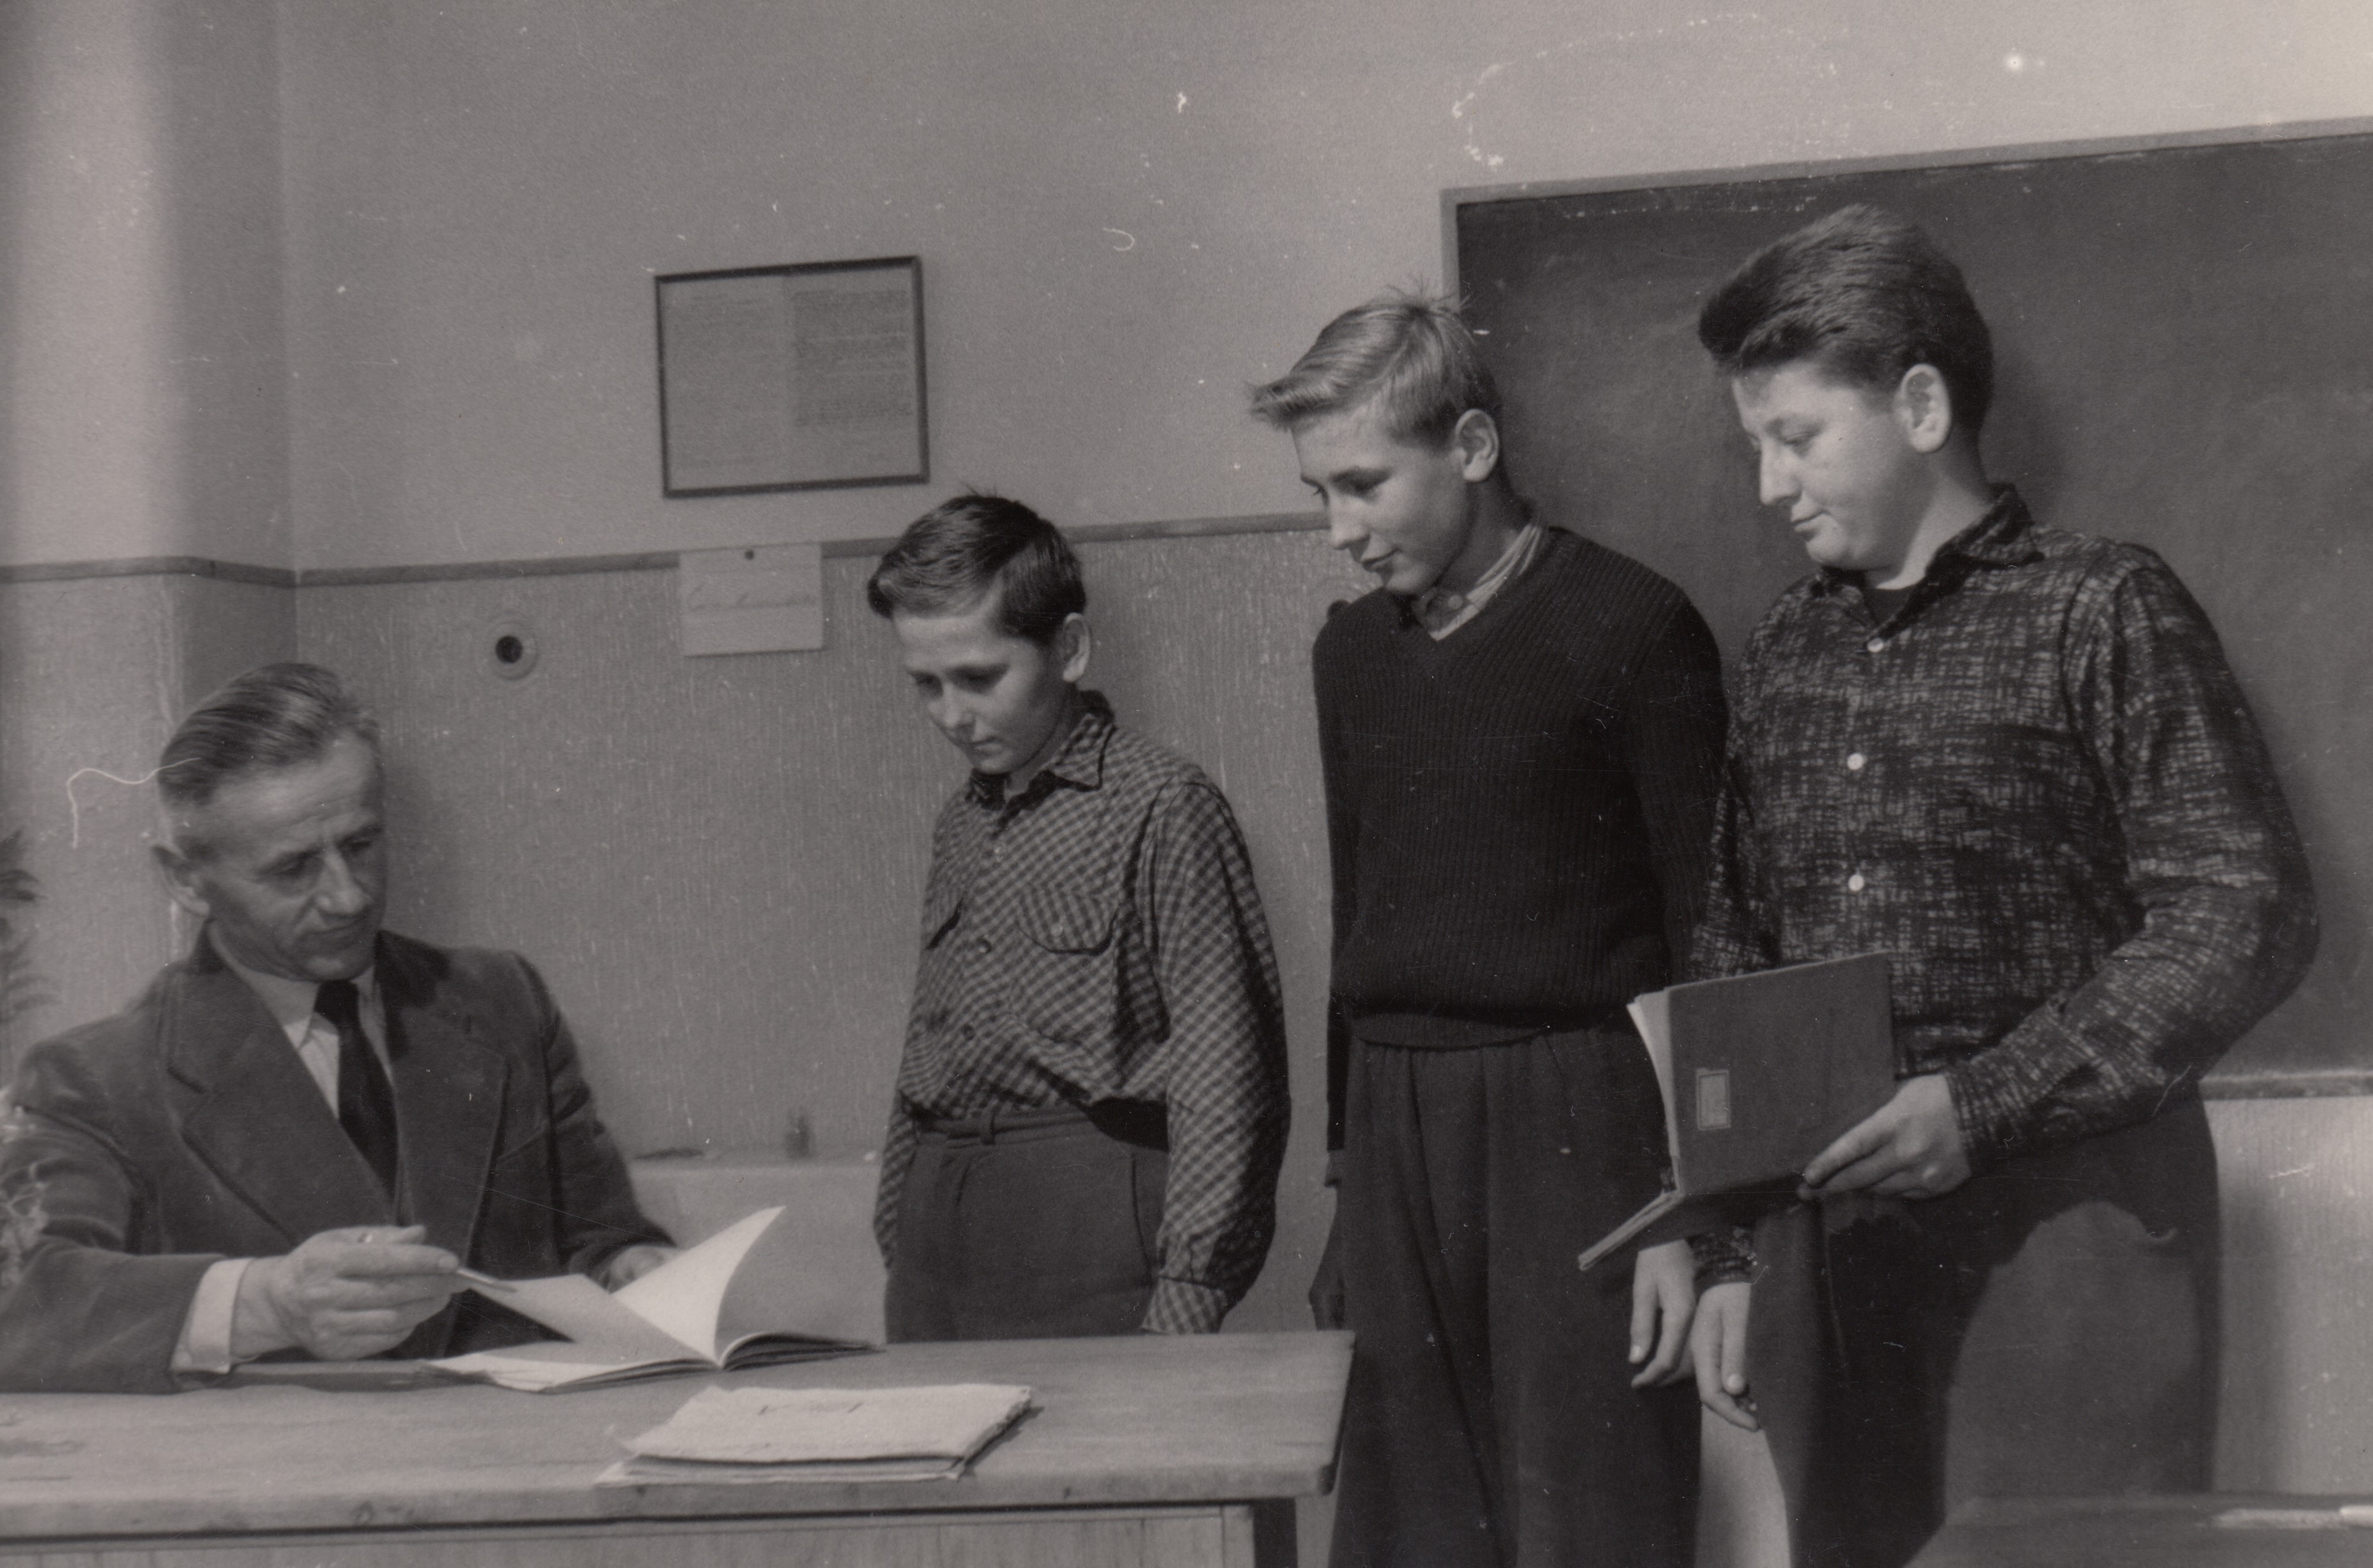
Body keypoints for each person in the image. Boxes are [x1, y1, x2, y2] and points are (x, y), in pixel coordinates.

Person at [1684, 205, 2318, 1568]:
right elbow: (1735, 943)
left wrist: (1978, 1105)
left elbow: (2243, 911)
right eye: (1753, 445)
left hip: (2072, 1237)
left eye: (1795, 436)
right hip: (1832, 1250)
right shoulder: (1785, 646)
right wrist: (1733, 1252)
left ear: (1918, 406)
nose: (1767, 484)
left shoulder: (2101, 606)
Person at [1251, 292, 1726, 1568]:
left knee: (1594, 1521)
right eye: (1318, 493)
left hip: (1582, 1123)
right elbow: (1359, 909)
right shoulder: (1351, 653)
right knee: (1411, 1533)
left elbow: (1708, 931)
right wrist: (1349, 1186)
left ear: (1470, 446)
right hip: (1397, 1124)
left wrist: (1691, 1209)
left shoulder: (1634, 626)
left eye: (1363, 484)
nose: (1339, 529)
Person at [0, 663, 672, 1394]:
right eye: (293, 869)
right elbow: (22, 1299)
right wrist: (267, 1303)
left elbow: (597, 1238)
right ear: (186, 880)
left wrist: (638, 1270)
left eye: (360, 844)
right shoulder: (96, 1077)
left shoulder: (501, 999)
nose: (348, 898)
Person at [866, 492, 1289, 1340]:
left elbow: (1225, 1068)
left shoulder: (1163, 804)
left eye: (979, 677)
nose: (951, 715)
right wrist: (899, 1225)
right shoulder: (960, 822)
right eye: (926, 684)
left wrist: (1191, 1289)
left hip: (1093, 1225)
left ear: (1068, 648)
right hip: (939, 1239)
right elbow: (927, 1037)